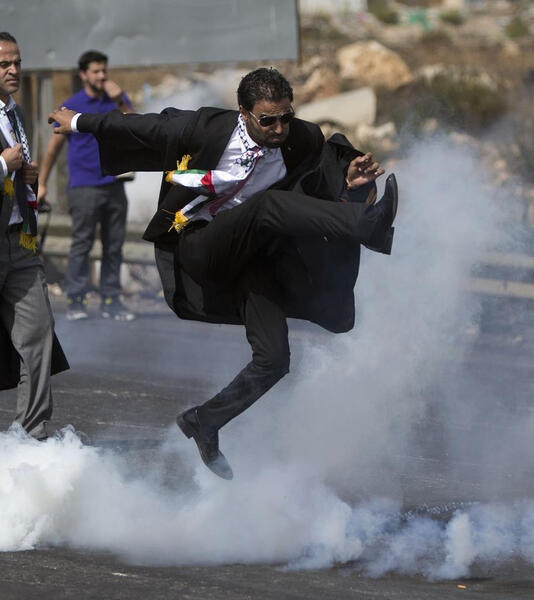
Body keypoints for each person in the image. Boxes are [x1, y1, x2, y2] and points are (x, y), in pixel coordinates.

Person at [48, 67, 398, 479]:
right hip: (200, 244)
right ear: (244, 113)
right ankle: (367, 227)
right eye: (268, 120)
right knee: (267, 208)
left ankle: (206, 421)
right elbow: (149, 127)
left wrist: (351, 188)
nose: (279, 128)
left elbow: (320, 186)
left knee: (274, 359)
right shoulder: (207, 127)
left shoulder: (300, 138)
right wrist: (79, 121)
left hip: (251, 255)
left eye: (285, 117)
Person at [0, 32, 69, 439]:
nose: (13, 70)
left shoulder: (16, 113)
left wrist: (26, 177)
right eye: (4, 64)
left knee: (38, 332)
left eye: (17, 63)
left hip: (20, 240)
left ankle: (30, 437)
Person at [38, 50, 135, 321]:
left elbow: (137, 128)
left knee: (114, 245)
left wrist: (119, 100)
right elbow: (53, 148)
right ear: (83, 74)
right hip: (84, 186)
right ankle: (77, 299)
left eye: (104, 70)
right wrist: (42, 183)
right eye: (95, 71)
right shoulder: (71, 105)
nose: (102, 75)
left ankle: (110, 299)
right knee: (81, 243)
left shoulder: (116, 100)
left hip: (114, 184)